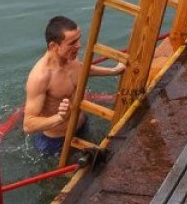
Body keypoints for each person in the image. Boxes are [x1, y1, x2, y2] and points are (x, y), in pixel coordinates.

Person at [23, 15, 125, 157]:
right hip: (57, 142)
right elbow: (28, 124)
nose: (78, 45)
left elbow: (81, 70)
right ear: (53, 46)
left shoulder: (71, 57)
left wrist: (114, 71)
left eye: (78, 39)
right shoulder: (41, 77)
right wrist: (59, 118)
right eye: (72, 43)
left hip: (82, 125)